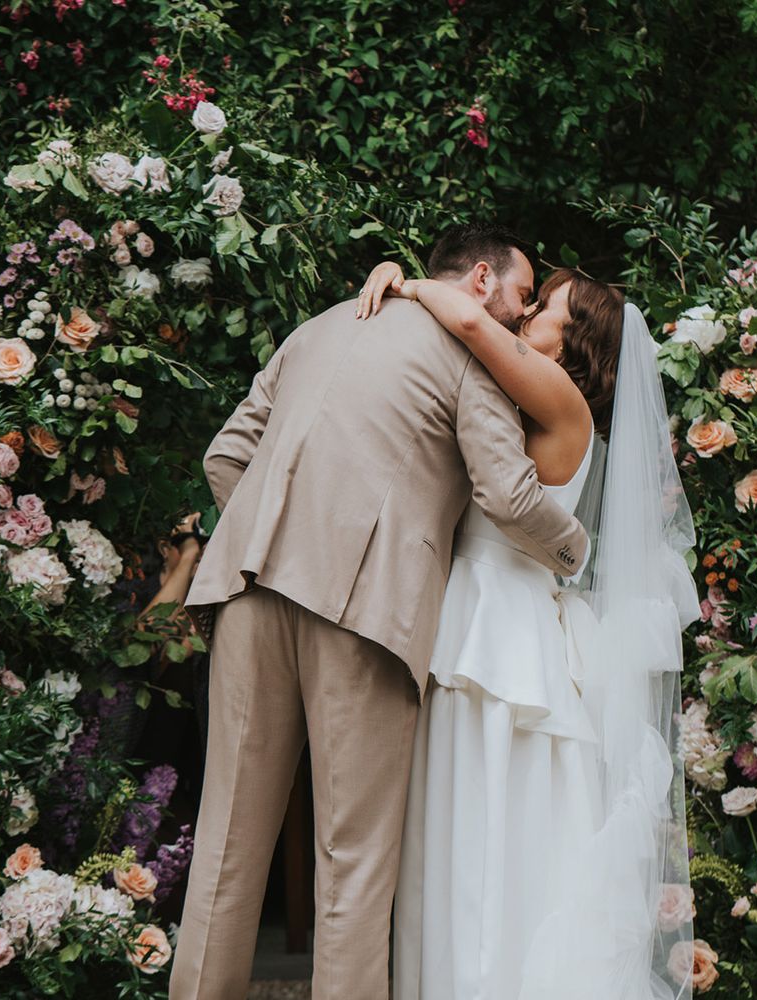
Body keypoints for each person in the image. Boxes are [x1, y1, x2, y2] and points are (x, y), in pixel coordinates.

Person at [168, 224, 590, 1000]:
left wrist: (279, 539)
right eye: (522, 296)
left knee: (225, 848)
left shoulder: (322, 324)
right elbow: (505, 494)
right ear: (481, 282)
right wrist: (577, 554)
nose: (521, 318)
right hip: (363, 615)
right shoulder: (473, 362)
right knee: (352, 866)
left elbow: (225, 456)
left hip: (248, 592)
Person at [356, 256, 700, 999]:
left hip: (499, 634)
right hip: (487, 626)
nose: (529, 312)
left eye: (547, 306)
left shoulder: (561, 399)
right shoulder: (525, 400)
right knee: (472, 832)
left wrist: (409, 281)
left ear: (574, 338)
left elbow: (475, 320)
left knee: (483, 828)